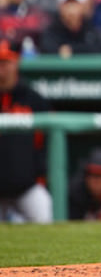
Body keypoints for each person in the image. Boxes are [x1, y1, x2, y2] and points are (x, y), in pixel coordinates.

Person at [0, 39, 53, 223]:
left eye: (6, 62)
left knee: (44, 213)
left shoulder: (33, 99)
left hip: (26, 187)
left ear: (16, 62)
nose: (2, 68)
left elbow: (46, 143)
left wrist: (41, 176)